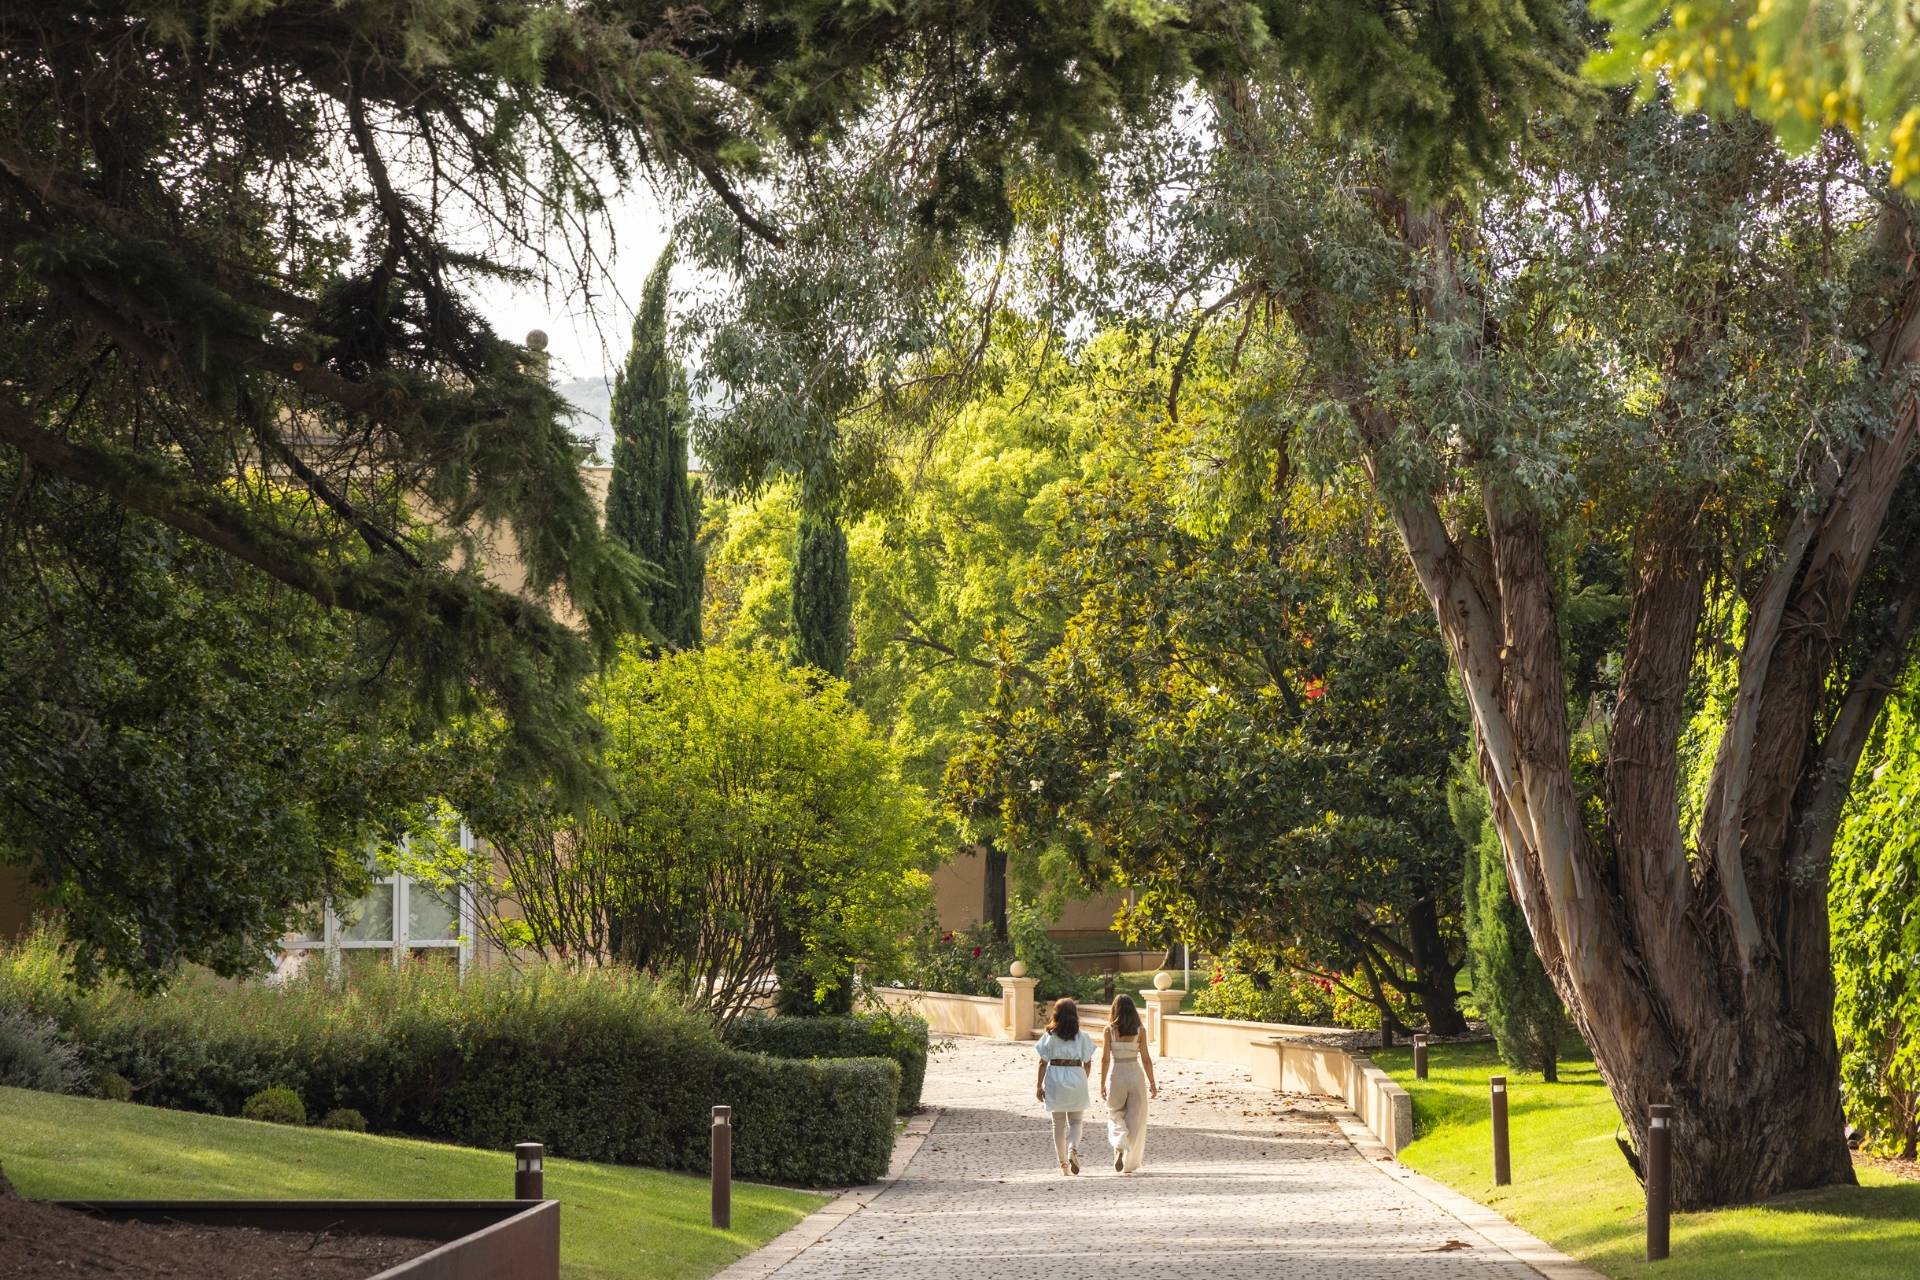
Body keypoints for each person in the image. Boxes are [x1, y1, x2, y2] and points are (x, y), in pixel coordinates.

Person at [1034, 997, 1096, 1175]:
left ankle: (1063, 1165)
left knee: (1058, 1124)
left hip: (1055, 1077)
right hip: (1077, 1075)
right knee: (1076, 1122)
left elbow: (1042, 1063)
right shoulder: (1083, 1037)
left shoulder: (1050, 1036)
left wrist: (1039, 1086)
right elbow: (1088, 1062)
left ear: (1057, 1015)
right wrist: (1083, 1079)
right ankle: (1072, 1148)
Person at [1100, 994, 1157, 1173]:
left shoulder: (1109, 1030)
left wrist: (1102, 1082)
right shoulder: (1140, 1030)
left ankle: (1118, 1143)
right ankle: (1126, 1155)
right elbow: (1146, 1059)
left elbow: (1104, 1059)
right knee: (1135, 1118)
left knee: (1114, 1112)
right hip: (1135, 1073)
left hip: (1117, 1073)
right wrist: (1152, 1082)